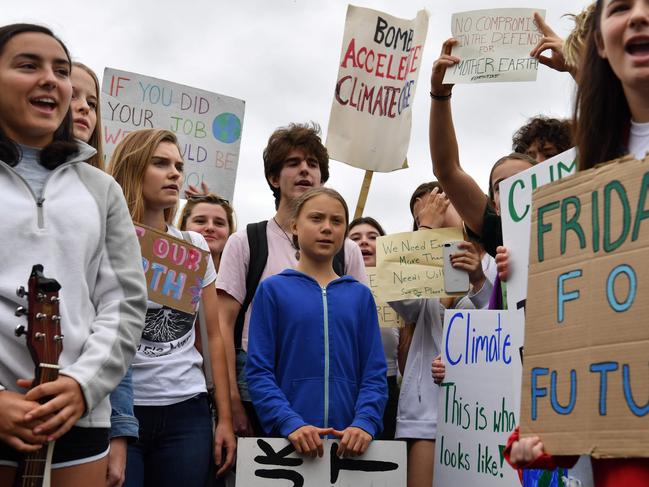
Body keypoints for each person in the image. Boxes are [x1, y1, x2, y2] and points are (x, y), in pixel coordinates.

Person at [506, 1, 649, 485]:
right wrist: (548, 435)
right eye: (622, 7)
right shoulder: (590, 177)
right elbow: (589, 332)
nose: (639, 16)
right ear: (602, 46)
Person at [0, 23, 147, 487]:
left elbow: (123, 302)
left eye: (60, 70)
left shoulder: (102, 189)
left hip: (80, 420)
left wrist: (83, 386)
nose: (51, 79)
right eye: (29, 65)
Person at [215, 122, 367, 437]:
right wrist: (231, 402)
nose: (304, 170)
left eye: (312, 164)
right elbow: (223, 326)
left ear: (322, 179)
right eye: (293, 163)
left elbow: (361, 332)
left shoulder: (346, 250)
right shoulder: (246, 241)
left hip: (328, 383)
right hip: (256, 380)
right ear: (274, 177)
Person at [107, 129, 236, 486]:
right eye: (160, 163)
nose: (175, 173)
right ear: (133, 169)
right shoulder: (105, 239)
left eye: (178, 165)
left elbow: (213, 336)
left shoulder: (193, 245)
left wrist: (223, 418)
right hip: (119, 411)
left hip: (186, 411)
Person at [246, 187, 387, 457]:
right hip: (289, 447)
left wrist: (365, 423)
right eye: (316, 218)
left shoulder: (360, 296)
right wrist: (289, 422)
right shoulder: (272, 290)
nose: (327, 228)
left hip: (350, 447)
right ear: (295, 226)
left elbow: (374, 374)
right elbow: (259, 372)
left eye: (336, 221)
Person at [389, 182, 491, 487]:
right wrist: (426, 228)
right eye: (422, 208)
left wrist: (478, 280)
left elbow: (503, 323)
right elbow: (400, 298)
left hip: (483, 408)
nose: (436, 207)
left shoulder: (492, 256)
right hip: (427, 413)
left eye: (442, 198)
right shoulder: (422, 270)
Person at [68, 61, 136, 487]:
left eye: (92, 102)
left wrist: (118, 429)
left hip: (86, 415)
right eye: (71, 94)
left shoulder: (104, 194)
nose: (81, 108)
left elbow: (121, 313)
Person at [429, 38, 539, 258]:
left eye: (526, 179)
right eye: (501, 187)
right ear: (494, 206)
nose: (514, 189)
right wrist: (440, 95)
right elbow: (447, 170)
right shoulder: (500, 234)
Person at [348, 216, 399, 440]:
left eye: (373, 237)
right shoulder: (331, 286)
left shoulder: (401, 292)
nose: (364, 242)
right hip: (344, 386)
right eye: (355, 238)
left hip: (387, 387)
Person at [179, 193, 235, 272]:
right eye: (200, 221)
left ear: (230, 232)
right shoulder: (162, 270)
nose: (210, 227)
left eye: (219, 223)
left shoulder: (245, 278)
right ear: (183, 227)